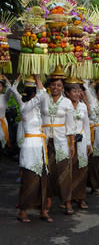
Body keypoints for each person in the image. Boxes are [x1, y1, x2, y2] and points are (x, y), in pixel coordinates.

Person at [12, 75, 51, 222]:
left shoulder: (38, 110)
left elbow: (43, 97)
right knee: (29, 179)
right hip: (29, 147)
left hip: (40, 146)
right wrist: (37, 77)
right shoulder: (25, 107)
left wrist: (23, 78)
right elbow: (42, 95)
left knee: (43, 178)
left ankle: (43, 210)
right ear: (32, 94)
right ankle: (23, 212)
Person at [40, 67, 75, 215]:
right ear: (49, 86)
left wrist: (72, 143)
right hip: (44, 141)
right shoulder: (43, 99)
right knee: (46, 171)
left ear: (63, 88)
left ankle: (67, 202)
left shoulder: (67, 102)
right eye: (53, 84)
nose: (55, 87)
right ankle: (46, 201)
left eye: (59, 85)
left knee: (63, 171)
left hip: (61, 141)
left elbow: (70, 125)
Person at [64, 78, 92, 209]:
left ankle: (81, 198)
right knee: (67, 170)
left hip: (81, 141)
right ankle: (67, 199)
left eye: (78, 91)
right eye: (73, 91)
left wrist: (89, 143)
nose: (76, 94)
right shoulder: (63, 105)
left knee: (81, 170)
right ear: (67, 93)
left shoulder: (82, 106)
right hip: (67, 141)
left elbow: (86, 125)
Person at [0, 74, 11, 151]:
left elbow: (10, 89)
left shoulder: (5, 97)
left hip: (2, 123)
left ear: (2, 87)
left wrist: (6, 80)